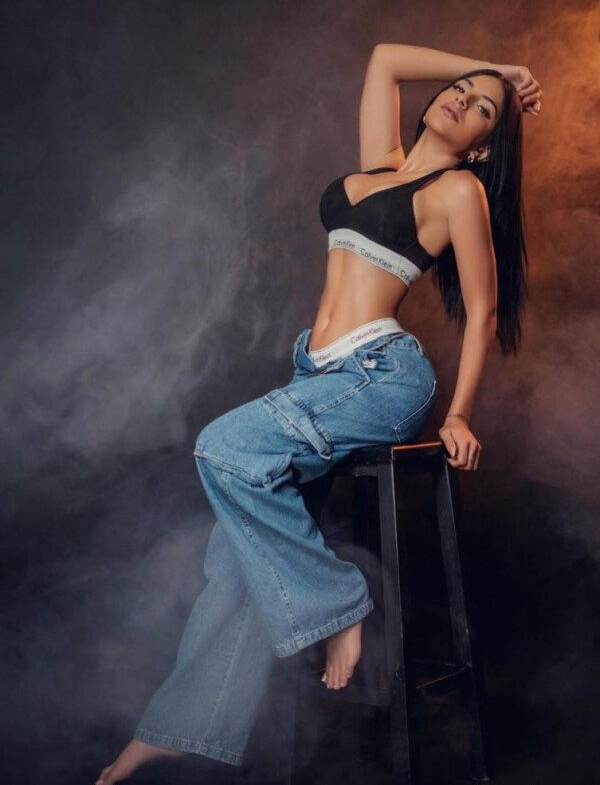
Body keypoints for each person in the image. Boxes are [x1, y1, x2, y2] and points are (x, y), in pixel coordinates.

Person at [96, 42, 542, 784]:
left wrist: (459, 415)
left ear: (483, 145)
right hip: (318, 376)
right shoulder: (381, 163)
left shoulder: (457, 190)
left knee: (223, 447)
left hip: (380, 378)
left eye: (483, 109)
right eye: (461, 89)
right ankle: (180, 727)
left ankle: (339, 605)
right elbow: (384, 59)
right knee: (236, 559)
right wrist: (497, 68)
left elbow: (484, 310)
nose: (462, 99)